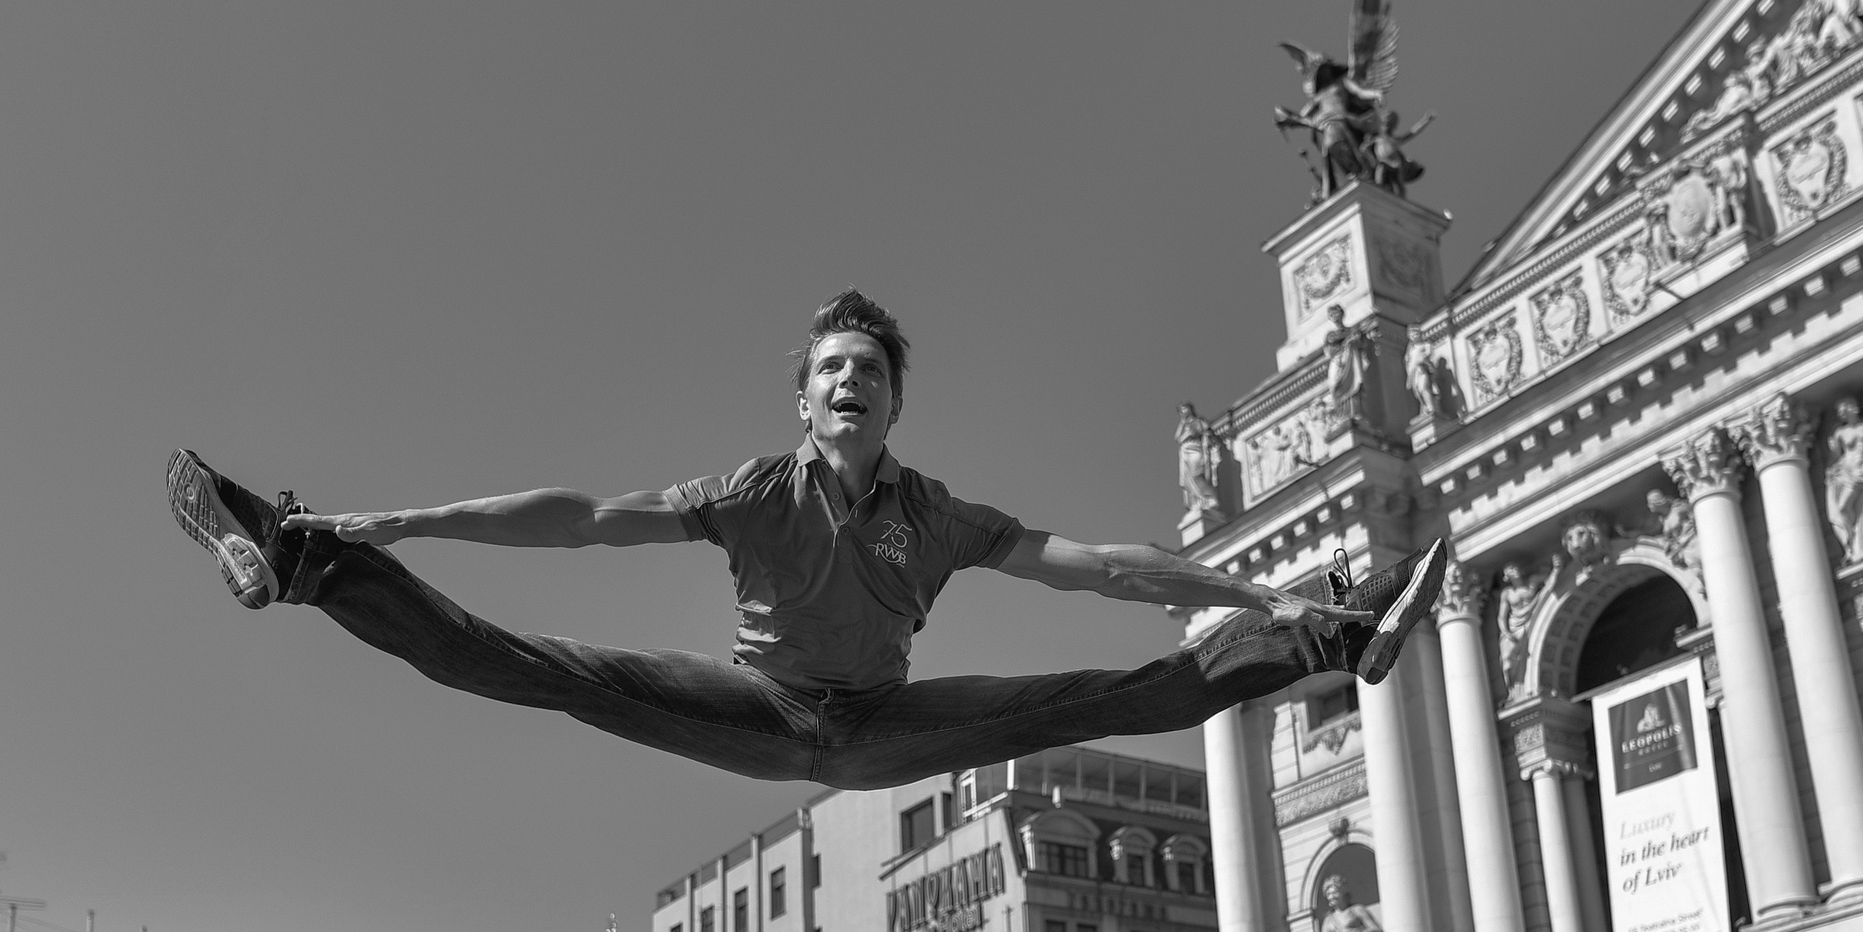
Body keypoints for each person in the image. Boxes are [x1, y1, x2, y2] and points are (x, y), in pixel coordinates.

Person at [166, 291, 1449, 794]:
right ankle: (307, 558)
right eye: (830, 369)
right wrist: (401, 517)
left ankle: (1332, 627)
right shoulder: (755, 487)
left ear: (895, 400)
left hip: (890, 723)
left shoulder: (938, 514)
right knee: (520, 664)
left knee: (1104, 695)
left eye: (869, 372)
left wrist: (1251, 582)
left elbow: (1105, 567)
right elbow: (580, 521)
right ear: (803, 399)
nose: (849, 385)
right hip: (762, 708)